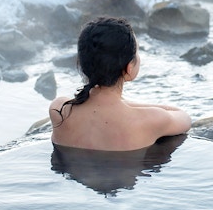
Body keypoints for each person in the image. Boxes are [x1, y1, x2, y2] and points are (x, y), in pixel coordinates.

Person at [49, 16, 191, 151]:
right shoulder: (151, 119)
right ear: (128, 68)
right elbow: (184, 117)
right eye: (137, 52)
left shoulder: (59, 109)